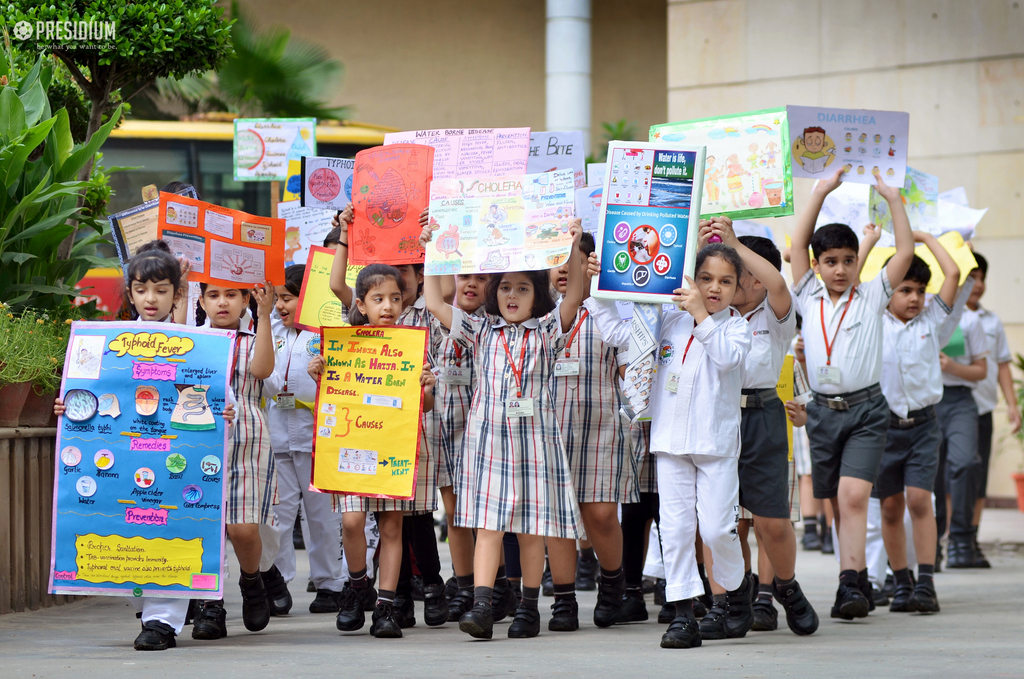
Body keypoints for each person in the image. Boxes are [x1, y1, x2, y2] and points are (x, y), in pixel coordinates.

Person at [54, 240, 235, 651]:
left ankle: (161, 623)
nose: (150, 299)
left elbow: (212, 397)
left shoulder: (198, 343)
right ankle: (151, 611)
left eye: (161, 289)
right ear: (129, 291)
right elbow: (88, 395)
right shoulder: (101, 342)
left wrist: (226, 412)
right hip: (123, 456)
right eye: (141, 289)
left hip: (178, 457)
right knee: (132, 523)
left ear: (177, 292)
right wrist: (71, 405)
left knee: (175, 524)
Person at [421, 220, 587, 640]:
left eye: (523, 288)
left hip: (535, 440)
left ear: (538, 295)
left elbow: (575, 295)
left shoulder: (549, 331)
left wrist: (571, 246)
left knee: (531, 529)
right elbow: (434, 302)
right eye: (505, 288)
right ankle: (482, 604)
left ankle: (529, 607)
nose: (512, 296)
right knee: (488, 525)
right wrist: (432, 249)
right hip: (488, 442)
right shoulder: (481, 330)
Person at [591, 243, 753, 649]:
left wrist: (700, 313)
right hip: (669, 443)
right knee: (677, 530)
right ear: (691, 279)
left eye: (725, 281)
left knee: (717, 530)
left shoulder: (736, 327)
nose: (714, 288)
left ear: (738, 289)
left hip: (715, 445)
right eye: (706, 278)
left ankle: (736, 590)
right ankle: (683, 614)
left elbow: (727, 358)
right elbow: (614, 332)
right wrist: (599, 282)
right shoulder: (666, 321)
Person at [788, 168, 914, 620]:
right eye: (831, 261)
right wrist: (821, 191)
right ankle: (856, 573)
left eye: (847, 260)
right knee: (840, 502)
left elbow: (905, 252)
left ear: (857, 261)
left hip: (866, 411)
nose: (840, 269)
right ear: (817, 265)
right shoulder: (808, 296)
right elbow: (798, 242)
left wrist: (892, 199)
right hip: (821, 413)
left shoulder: (873, 295)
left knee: (854, 497)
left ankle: (847, 588)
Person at [328, 208, 448, 633]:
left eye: (395, 298)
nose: (388, 306)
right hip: (353, 444)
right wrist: (345, 234)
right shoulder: (349, 337)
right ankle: (358, 584)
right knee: (352, 520)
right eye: (378, 299)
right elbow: (334, 282)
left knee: (394, 525)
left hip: (398, 445)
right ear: (360, 305)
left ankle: (385, 607)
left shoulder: (415, 339)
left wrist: (427, 388)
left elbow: (428, 406)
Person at [697, 217, 818, 637]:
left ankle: (786, 587)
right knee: (718, 520)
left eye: (745, 273)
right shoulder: (712, 314)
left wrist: (734, 242)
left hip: (763, 415)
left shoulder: (777, 314)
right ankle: (725, 602)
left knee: (771, 520)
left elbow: (780, 284)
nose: (738, 281)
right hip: (716, 415)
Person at [865, 228, 964, 613]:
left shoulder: (932, 322)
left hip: (923, 426)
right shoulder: (872, 321)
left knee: (921, 500)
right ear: (889, 291)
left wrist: (923, 237)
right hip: (884, 428)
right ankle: (901, 580)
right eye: (906, 290)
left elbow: (952, 274)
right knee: (890, 507)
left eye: (920, 291)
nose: (915, 298)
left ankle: (926, 581)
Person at [548, 232, 635, 630]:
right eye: (557, 260)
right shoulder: (534, 308)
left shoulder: (613, 307)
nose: (564, 267)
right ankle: (563, 600)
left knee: (600, 514)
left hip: (601, 421)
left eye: (573, 258)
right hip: (550, 426)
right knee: (558, 515)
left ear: (592, 263)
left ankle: (612, 582)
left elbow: (631, 364)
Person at [190, 279, 278, 640]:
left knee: (243, 528)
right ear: (201, 301)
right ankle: (210, 605)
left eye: (231, 295)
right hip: (195, 438)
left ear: (245, 300)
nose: (222, 303)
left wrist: (265, 315)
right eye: (213, 295)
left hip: (247, 438)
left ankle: (252, 581)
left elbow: (262, 372)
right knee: (202, 525)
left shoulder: (254, 338)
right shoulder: (191, 339)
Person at [264, 264, 346, 615]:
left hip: (317, 438)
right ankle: (277, 582)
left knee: (322, 517)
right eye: (279, 298)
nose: (282, 305)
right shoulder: (270, 331)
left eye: (289, 297)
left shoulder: (327, 332)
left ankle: (330, 583)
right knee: (278, 516)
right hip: (277, 436)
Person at [964, 253, 1022, 565]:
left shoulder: (991, 320)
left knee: (978, 474)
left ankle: (972, 537)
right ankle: (950, 537)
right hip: (949, 407)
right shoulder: (946, 316)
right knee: (951, 475)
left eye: (982, 278)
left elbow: (1002, 366)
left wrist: (1012, 406)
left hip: (982, 408)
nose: (978, 285)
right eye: (971, 277)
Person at [934, 285, 989, 569]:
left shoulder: (969, 319)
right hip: (928, 400)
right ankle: (930, 543)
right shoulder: (922, 315)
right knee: (930, 472)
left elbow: (982, 370)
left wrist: (951, 367)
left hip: (959, 400)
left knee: (966, 462)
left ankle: (961, 538)